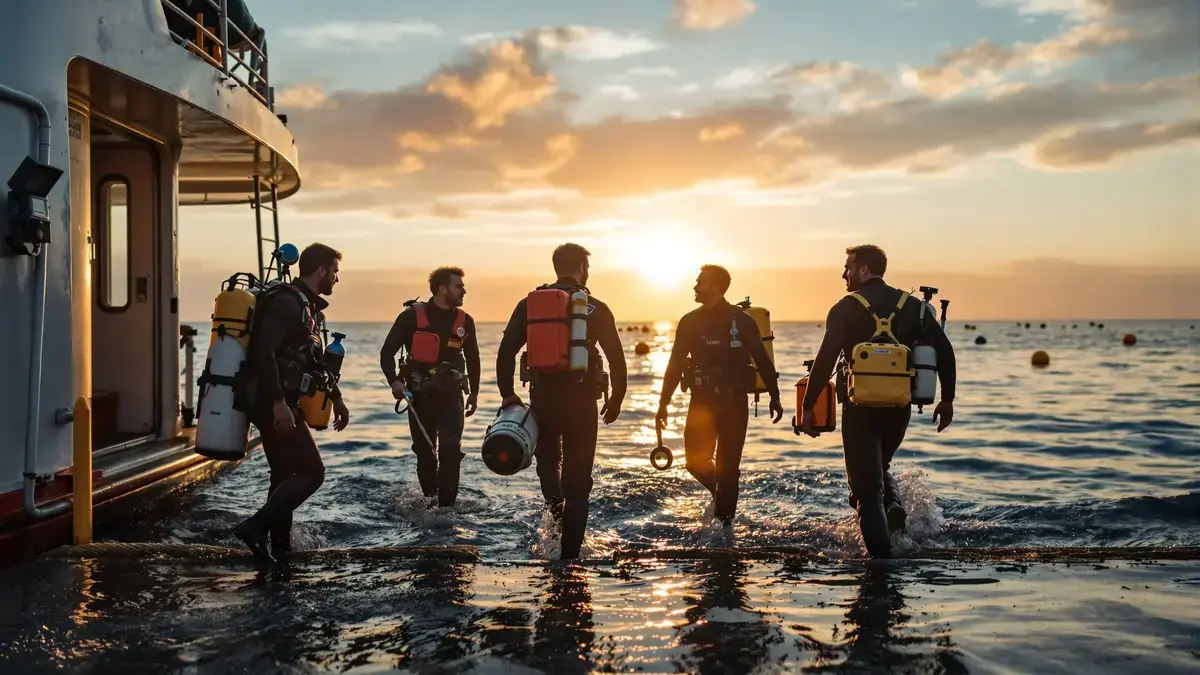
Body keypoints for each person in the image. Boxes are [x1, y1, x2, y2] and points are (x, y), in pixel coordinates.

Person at [799, 244, 956, 558]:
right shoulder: (913, 306)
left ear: (864, 269)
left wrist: (807, 406)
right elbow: (945, 352)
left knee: (865, 492)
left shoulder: (845, 308)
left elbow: (826, 357)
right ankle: (894, 510)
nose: (844, 273)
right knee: (879, 467)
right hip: (899, 408)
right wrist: (947, 399)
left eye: (848, 267)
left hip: (859, 410)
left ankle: (881, 569)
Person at [496, 243, 627, 560]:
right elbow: (617, 358)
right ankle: (570, 561)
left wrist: (507, 393)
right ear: (583, 267)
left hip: (543, 402)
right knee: (578, 483)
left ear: (557, 267)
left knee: (548, 469)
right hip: (582, 403)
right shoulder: (595, 307)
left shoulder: (530, 304)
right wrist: (617, 397)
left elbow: (505, 351)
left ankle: (554, 522)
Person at [234, 243, 350, 562]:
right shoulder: (287, 302)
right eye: (335, 272)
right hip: (269, 400)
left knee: (284, 474)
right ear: (321, 271)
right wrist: (276, 403)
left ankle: (278, 549)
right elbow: (262, 350)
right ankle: (255, 527)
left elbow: (312, 363)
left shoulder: (306, 307)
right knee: (313, 473)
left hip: (279, 399)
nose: (337, 280)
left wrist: (336, 399)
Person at [656, 265, 784, 527]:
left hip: (734, 403)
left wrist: (775, 395)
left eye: (700, 282)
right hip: (701, 402)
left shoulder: (742, 321)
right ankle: (721, 495)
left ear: (717, 287)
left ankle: (725, 529)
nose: (695, 286)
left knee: (729, 470)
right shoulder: (689, 321)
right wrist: (663, 403)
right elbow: (675, 364)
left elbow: (762, 360)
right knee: (694, 462)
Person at [379, 266, 481, 507]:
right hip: (419, 397)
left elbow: (474, 359)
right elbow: (386, 353)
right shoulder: (411, 317)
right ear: (442, 288)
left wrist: (475, 392)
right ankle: (430, 502)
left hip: (451, 397)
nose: (464, 290)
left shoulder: (465, 321)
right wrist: (394, 380)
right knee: (425, 453)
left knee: (450, 450)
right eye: (459, 286)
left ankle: (446, 509)